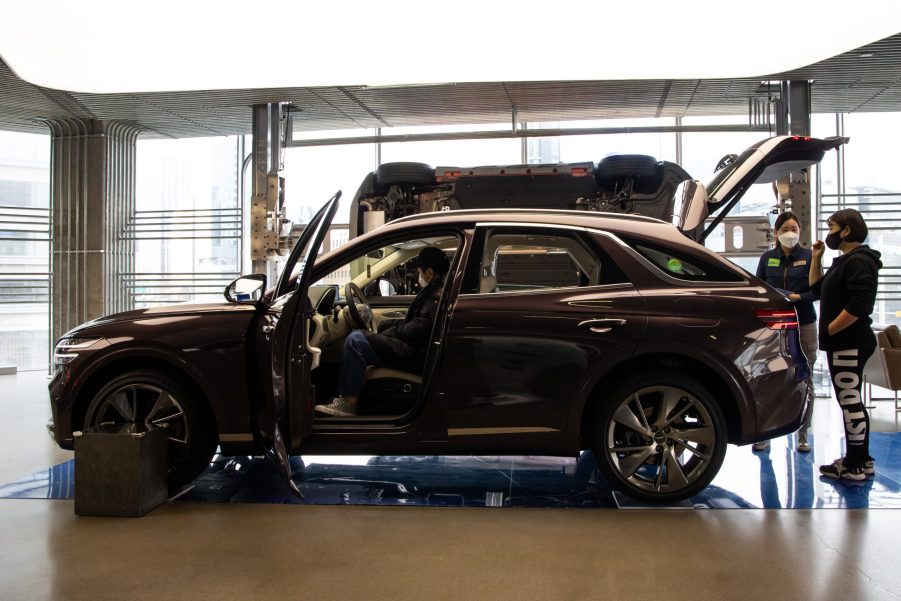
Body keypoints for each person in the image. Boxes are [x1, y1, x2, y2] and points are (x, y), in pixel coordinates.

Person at [314, 246, 451, 417]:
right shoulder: (436, 290)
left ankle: (349, 403)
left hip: (417, 354)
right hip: (418, 350)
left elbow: (420, 330)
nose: (419, 276)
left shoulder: (435, 294)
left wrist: (390, 332)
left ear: (429, 272)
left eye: (419, 272)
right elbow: (417, 323)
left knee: (355, 340)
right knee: (366, 336)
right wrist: (387, 325)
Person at [810, 208, 881, 481]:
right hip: (843, 343)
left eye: (831, 227)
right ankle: (862, 459)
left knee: (850, 401)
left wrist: (830, 328)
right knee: (851, 400)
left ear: (846, 230)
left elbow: (860, 305)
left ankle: (854, 465)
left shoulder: (860, 261)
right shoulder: (844, 261)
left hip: (849, 342)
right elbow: (816, 290)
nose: (829, 233)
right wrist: (817, 258)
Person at [752, 212, 818, 453]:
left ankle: (803, 434)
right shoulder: (768, 258)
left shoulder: (810, 258)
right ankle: (765, 433)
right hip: (775, 326)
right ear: (777, 232)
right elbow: (758, 288)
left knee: (805, 378)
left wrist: (799, 297)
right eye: (785, 229)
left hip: (804, 322)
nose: (791, 233)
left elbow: (818, 290)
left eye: (794, 228)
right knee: (768, 379)